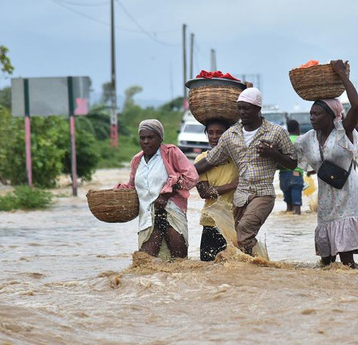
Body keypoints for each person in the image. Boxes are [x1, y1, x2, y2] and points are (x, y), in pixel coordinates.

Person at [294, 60, 358, 268]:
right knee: (327, 260)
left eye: (317, 114)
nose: (313, 118)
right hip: (326, 196)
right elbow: (291, 162)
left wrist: (342, 74)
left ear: (332, 116)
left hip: (348, 192)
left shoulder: (344, 131)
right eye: (311, 114)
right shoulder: (307, 138)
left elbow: (356, 106)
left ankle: (349, 294)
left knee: (346, 261)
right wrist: (271, 153)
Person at [194, 87, 297, 255]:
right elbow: (210, 160)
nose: (242, 112)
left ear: (258, 109)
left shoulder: (276, 132)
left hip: (262, 192)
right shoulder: (231, 135)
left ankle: (252, 268)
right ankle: (254, 268)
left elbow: (293, 162)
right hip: (241, 196)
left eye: (246, 108)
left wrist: (274, 154)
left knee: (244, 230)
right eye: (239, 108)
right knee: (237, 240)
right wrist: (182, 173)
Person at [115, 119, 199, 259]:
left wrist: (166, 195)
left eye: (150, 137)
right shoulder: (137, 160)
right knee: (145, 263)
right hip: (148, 216)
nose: (146, 141)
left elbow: (192, 176)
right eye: (142, 138)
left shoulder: (171, 153)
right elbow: (132, 186)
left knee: (179, 263)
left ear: (160, 138)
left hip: (171, 213)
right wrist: (116, 192)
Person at [194, 119, 239, 261]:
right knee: (208, 267)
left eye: (219, 133)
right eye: (210, 133)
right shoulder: (202, 159)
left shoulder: (237, 157)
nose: (214, 137)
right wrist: (234, 185)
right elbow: (204, 193)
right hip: (211, 222)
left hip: (236, 220)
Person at [279, 120, 305, 215]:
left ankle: (289, 218)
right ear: (298, 128)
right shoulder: (300, 140)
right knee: (296, 201)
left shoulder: (283, 141)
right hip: (296, 173)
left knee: (288, 203)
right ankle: (296, 217)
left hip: (283, 174)